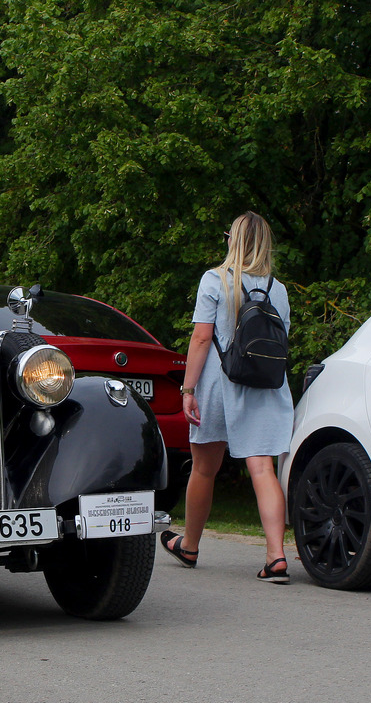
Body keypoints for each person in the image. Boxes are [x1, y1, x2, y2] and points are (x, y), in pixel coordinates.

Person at [160, 212, 294, 583]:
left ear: (233, 240)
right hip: (265, 385)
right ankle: (276, 557)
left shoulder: (215, 279)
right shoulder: (277, 289)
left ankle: (189, 545)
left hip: (221, 383)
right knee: (263, 467)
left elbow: (202, 338)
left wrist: (187, 389)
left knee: (205, 467)